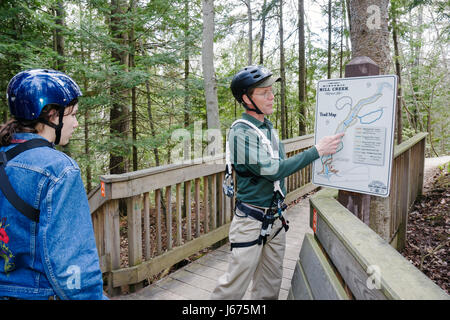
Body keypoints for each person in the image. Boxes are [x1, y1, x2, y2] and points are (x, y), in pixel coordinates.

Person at [211, 65, 344, 300]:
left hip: (275, 219)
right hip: (251, 221)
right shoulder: (241, 133)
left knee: (269, 287)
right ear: (246, 98)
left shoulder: (267, 128)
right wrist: (316, 151)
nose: (272, 96)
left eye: (272, 91)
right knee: (232, 289)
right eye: (264, 92)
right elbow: (273, 170)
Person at [0, 69, 107, 300]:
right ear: (52, 115)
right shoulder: (59, 170)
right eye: (73, 115)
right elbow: (73, 262)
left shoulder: (4, 155)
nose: (76, 124)